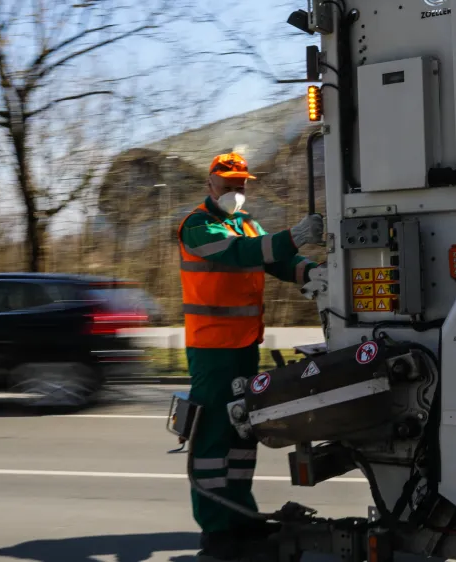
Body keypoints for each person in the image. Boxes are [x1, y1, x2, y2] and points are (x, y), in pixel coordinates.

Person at [176, 152, 325, 561]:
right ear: (210, 185)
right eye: (228, 187)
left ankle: (241, 516)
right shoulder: (198, 226)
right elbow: (243, 253)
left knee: (243, 434)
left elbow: (273, 258)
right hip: (211, 351)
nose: (236, 194)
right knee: (212, 439)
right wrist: (294, 235)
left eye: (241, 187)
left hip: (243, 346)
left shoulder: (245, 223)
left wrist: (309, 272)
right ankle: (217, 530)